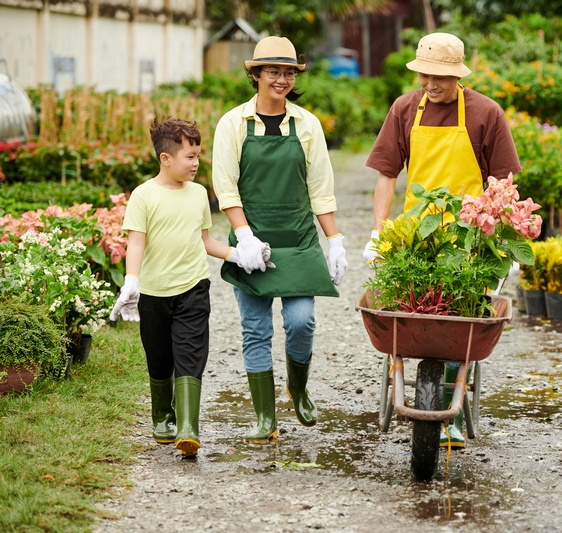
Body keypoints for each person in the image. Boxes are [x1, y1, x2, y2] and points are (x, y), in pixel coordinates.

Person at [362, 32, 522, 449]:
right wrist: (380, 231)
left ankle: (449, 410)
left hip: (468, 237)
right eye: (425, 75)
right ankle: (433, 399)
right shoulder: (404, 109)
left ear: (458, 75)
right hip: (418, 234)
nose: (431, 84)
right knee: (424, 314)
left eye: (440, 77)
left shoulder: (486, 113)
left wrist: (501, 239)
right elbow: (387, 175)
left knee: (461, 318)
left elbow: (502, 184)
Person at [212, 36, 347, 444]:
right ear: (255, 74)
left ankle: (298, 387)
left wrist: (335, 240)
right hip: (252, 241)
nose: (282, 79)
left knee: (301, 321)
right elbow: (226, 186)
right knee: (255, 328)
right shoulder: (233, 123)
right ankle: (264, 418)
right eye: (273, 71)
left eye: (288, 72)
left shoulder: (307, 125)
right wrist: (245, 237)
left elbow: (320, 189)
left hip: (299, 239)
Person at [110, 117, 268, 457]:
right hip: (153, 291)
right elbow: (135, 243)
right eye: (190, 156)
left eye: (198, 155)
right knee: (159, 357)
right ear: (166, 158)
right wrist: (132, 281)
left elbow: (204, 241)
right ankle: (163, 417)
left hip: (193, 287)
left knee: (190, 353)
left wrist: (237, 255)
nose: (197, 163)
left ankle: (188, 427)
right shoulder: (144, 195)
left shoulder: (198, 194)